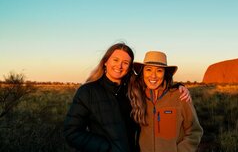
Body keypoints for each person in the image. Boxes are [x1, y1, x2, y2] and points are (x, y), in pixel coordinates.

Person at [63, 43, 191, 152]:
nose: (119, 66)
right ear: (105, 62)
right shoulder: (88, 92)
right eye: (115, 60)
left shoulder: (134, 90)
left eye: (125, 63)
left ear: (129, 67)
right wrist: (106, 148)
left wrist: (179, 87)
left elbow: (156, 84)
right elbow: (72, 132)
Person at [129, 51, 203, 152]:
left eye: (159, 71)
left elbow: (194, 131)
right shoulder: (136, 96)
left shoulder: (180, 96)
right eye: (148, 70)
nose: (153, 76)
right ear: (142, 72)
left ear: (165, 74)